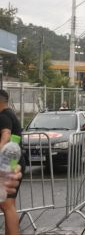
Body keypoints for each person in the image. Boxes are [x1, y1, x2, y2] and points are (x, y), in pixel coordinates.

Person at [0, 90, 25, 235]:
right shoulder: (10, 114)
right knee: (9, 205)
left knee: (6, 205)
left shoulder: (3, 116)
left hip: (9, 164)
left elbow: (6, 135)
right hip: (13, 162)